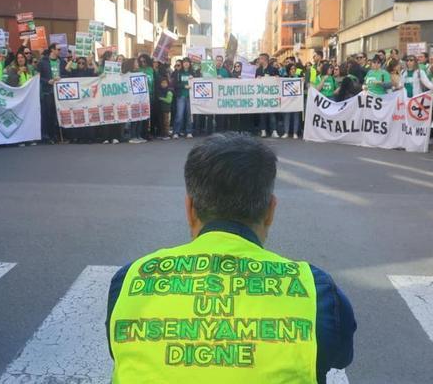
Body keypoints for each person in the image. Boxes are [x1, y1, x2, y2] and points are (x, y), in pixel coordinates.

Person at [105, 133, 356, 383]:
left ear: (190, 209)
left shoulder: (129, 281)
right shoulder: (317, 292)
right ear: (270, 211)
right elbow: (340, 356)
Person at [37, 46, 63, 144]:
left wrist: (61, 78)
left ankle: (55, 136)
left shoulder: (61, 62)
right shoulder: (43, 62)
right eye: (58, 49)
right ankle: (46, 136)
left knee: (56, 115)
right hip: (47, 92)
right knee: (47, 114)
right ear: (52, 50)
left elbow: (66, 74)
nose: (60, 51)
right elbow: (37, 76)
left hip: (59, 92)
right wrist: (48, 81)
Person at [171, 58, 194, 139]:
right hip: (181, 96)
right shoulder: (179, 73)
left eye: (187, 62)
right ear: (182, 64)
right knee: (179, 115)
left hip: (190, 96)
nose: (186, 64)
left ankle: (189, 132)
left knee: (189, 115)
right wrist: (184, 86)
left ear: (190, 64)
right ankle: (176, 132)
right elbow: (175, 84)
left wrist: (194, 78)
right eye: (184, 62)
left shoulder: (193, 73)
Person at [282, 64, 302, 139]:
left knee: (296, 116)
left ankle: (295, 133)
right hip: (287, 101)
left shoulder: (299, 77)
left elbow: (304, 85)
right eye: (291, 69)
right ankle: (286, 132)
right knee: (287, 116)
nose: (293, 70)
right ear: (288, 70)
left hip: (296, 100)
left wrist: (303, 81)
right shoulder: (285, 77)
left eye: (294, 69)